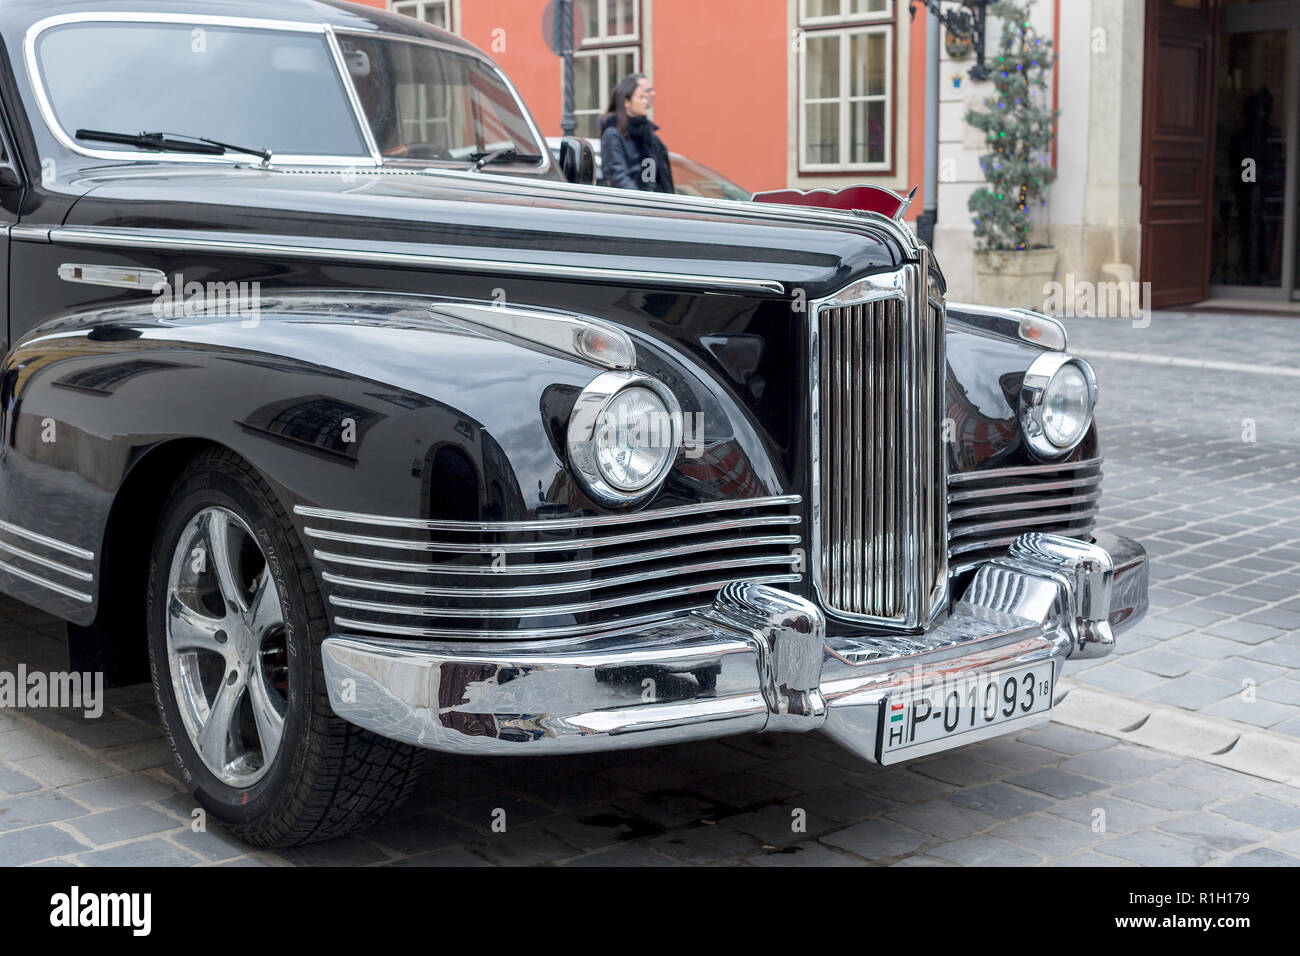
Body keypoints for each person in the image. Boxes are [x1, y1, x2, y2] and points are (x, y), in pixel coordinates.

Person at [599, 73, 675, 194]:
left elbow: (651, 179)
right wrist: (643, 201)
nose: (646, 102)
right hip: (631, 207)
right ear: (626, 102)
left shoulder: (647, 134)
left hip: (652, 206)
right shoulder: (613, 134)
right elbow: (618, 177)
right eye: (641, 97)